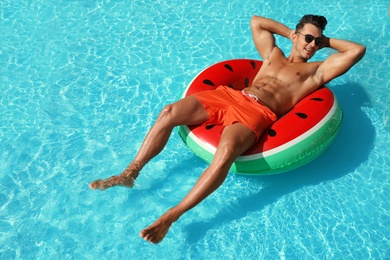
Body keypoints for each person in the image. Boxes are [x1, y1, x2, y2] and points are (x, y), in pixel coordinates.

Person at [90, 14, 366, 244]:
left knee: (226, 153)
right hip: (229, 96)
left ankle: (172, 215)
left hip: (257, 112)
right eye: (309, 38)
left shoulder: (315, 71)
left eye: (317, 41)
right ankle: (130, 173)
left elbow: (356, 50)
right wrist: (294, 36)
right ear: (295, 36)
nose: (313, 45)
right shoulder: (272, 54)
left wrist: (323, 41)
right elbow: (257, 22)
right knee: (169, 112)